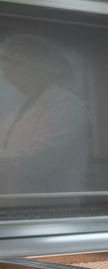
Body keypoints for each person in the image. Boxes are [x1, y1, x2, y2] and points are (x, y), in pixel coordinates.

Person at [0, 34, 89, 195]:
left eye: (11, 72)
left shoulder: (65, 104)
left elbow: (37, 161)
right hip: (21, 199)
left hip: (52, 201)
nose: (8, 79)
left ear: (32, 67)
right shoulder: (21, 104)